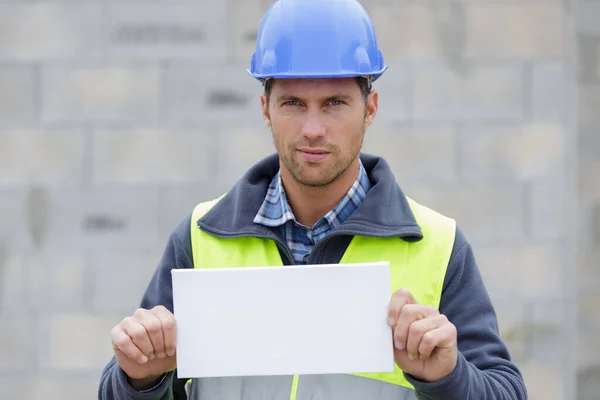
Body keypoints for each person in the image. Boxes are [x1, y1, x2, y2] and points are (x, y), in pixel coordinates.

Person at [98, 0, 528, 399]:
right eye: (293, 103)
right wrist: (140, 379)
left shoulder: (437, 246)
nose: (313, 129)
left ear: (370, 108)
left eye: (335, 103)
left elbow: (505, 390)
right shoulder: (199, 237)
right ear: (265, 109)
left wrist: (448, 377)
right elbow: (121, 385)